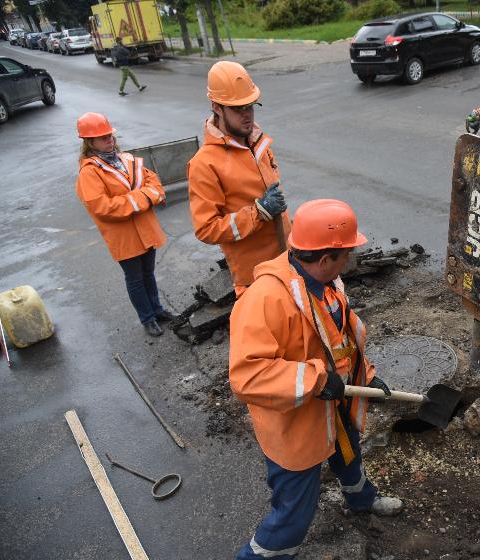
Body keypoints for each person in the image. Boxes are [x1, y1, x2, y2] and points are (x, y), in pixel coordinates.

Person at [229, 199, 403, 560]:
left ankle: (361, 499)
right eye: (347, 254)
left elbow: (340, 341)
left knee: (349, 456)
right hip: (297, 422)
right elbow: (247, 375)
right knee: (293, 512)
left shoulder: (326, 284)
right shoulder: (266, 299)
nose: (350, 259)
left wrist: (368, 377)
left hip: (334, 405)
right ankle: (262, 554)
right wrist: (315, 381)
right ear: (325, 259)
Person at [188, 61, 291, 298]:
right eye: (238, 109)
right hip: (255, 278)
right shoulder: (204, 163)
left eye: (250, 107)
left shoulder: (257, 142)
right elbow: (206, 229)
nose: (247, 115)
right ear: (217, 108)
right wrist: (258, 213)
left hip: (286, 261)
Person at [74, 112, 174, 337]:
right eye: (103, 137)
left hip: (145, 230)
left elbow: (153, 182)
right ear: (89, 142)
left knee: (148, 273)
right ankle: (147, 319)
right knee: (135, 279)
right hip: (124, 236)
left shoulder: (126, 159)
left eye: (109, 135)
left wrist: (142, 196)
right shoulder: (89, 172)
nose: (109, 139)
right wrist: (143, 197)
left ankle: (157, 310)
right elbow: (103, 207)